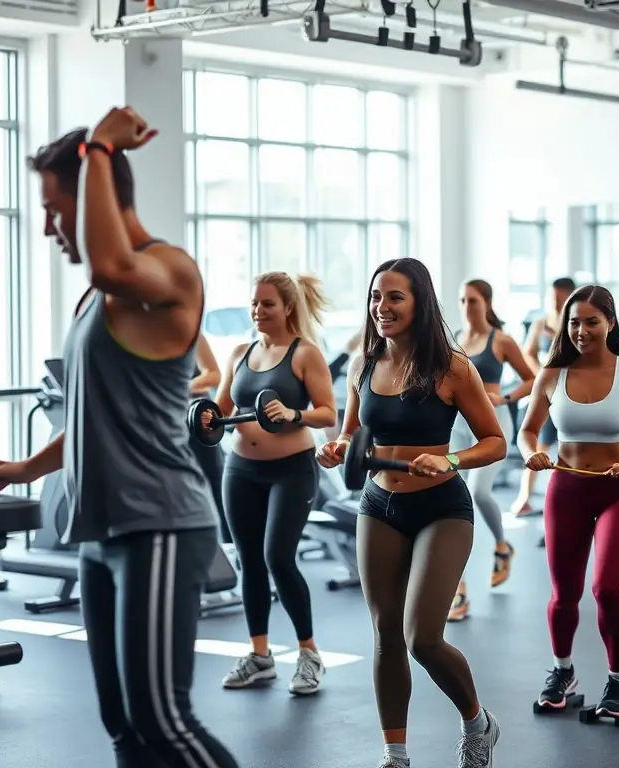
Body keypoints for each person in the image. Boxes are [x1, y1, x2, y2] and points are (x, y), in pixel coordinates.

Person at [0, 111, 241, 768]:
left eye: (54, 209)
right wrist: (31, 468)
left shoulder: (166, 273)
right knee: (123, 725)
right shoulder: (95, 303)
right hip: (104, 535)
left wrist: (97, 146)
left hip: (159, 525)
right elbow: (94, 413)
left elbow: (109, 260)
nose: (48, 228)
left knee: (164, 720)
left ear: (97, 192)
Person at [316, 257, 506, 768]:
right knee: (385, 632)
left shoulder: (451, 366)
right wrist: (335, 448)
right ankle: (395, 755)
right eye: (376, 296)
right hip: (379, 504)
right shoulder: (364, 364)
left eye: (395, 296)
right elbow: (352, 435)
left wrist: (450, 457)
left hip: (441, 506)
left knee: (421, 636)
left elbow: (495, 442)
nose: (382, 307)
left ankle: (477, 723)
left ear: (419, 302)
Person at [518, 284, 619, 715]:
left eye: (591, 321)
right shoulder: (552, 375)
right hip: (566, 489)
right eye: (574, 322)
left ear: (610, 323)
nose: (581, 330)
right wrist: (532, 453)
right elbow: (527, 430)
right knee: (564, 593)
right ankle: (562, 669)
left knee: (605, 588)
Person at [211, 271, 336, 695]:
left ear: (287, 308)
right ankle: (260, 656)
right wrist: (207, 416)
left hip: (292, 468)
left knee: (278, 558)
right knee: (249, 559)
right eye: (254, 303)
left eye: (267, 304)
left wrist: (294, 414)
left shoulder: (304, 354)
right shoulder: (239, 353)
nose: (258, 311)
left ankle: (309, 654)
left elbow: (328, 413)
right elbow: (222, 410)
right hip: (241, 469)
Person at [447, 278, 534, 622]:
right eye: (462, 300)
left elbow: (533, 378)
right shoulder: (453, 339)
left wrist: (505, 396)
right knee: (454, 502)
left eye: (473, 300)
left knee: (477, 492)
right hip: (457, 425)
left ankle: (501, 544)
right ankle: (458, 590)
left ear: (487, 302)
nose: (467, 306)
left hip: (492, 424)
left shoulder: (502, 341)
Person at [511, 276, 576, 516]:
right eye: (553, 298)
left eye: (561, 299)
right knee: (539, 444)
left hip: (568, 393)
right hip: (547, 392)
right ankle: (525, 497)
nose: (556, 303)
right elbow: (527, 352)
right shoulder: (541, 323)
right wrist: (541, 373)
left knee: (565, 447)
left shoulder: (573, 324)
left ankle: (564, 499)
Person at [188, 333, 231, 545]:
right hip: (160, 425)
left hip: (197, 420)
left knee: (214, 484)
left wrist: (178, 389)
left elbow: (213, 375)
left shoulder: (188, 332)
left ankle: (230, 548)